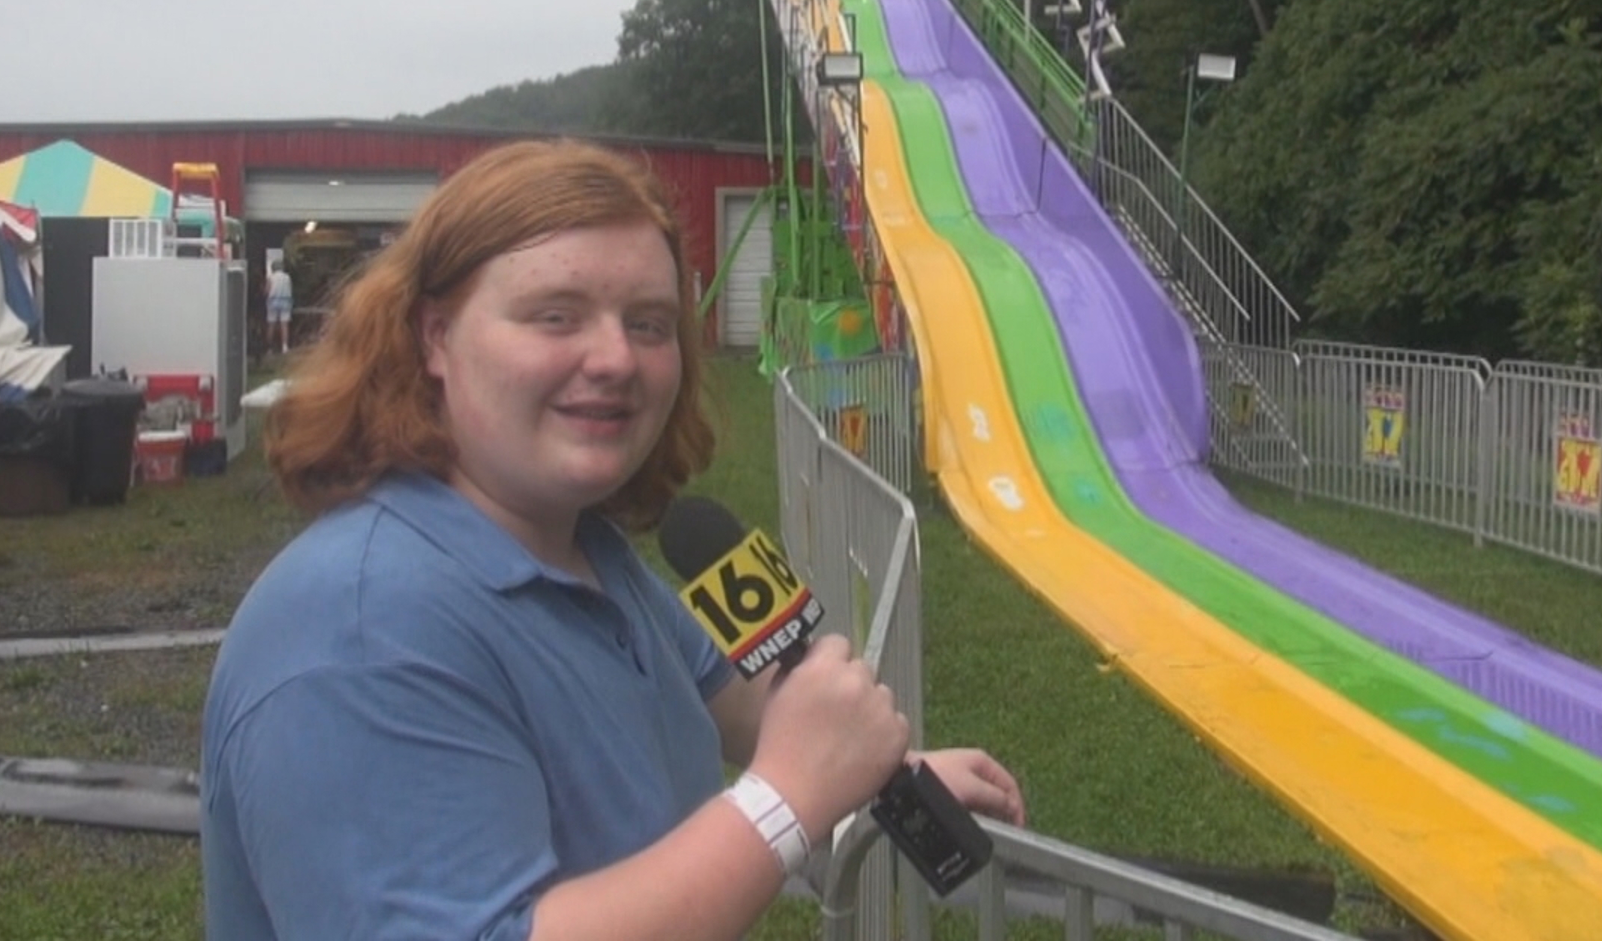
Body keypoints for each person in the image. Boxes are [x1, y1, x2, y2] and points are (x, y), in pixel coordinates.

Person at [201, 139, 1025, 941]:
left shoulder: (585, 552)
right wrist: (786, 800)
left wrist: (880, 766)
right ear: (435, 337)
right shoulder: (358, 631)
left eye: (650, 323)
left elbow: (742, 705)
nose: (615, 359)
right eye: (556, 316)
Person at [264, 260, 293, 356]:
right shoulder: (287, 277)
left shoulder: (270, 278)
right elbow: (290, 289)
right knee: (284, 325)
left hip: (273, 301)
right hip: (285, 301)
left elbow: (267, 290)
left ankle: (269, 348)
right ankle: (284, 346)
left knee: (271, 324)